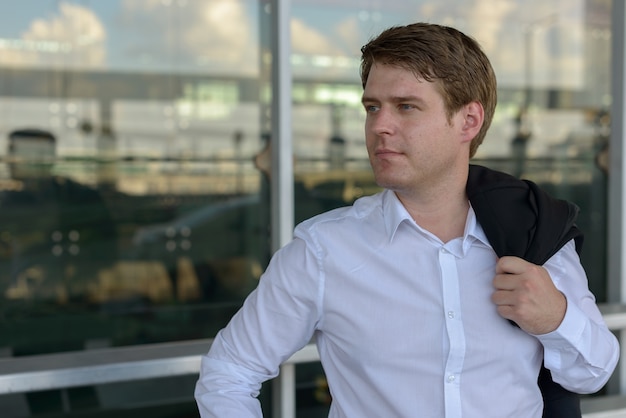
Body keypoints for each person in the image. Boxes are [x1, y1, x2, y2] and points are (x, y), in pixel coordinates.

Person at [195, 23, 619, 417]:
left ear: (468, 120)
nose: (380, 125)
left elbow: (593, 372)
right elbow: (229, 372)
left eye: (406, 107)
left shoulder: (535, 234)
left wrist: (555, 318)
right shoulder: (324, 250)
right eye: (373, 106)